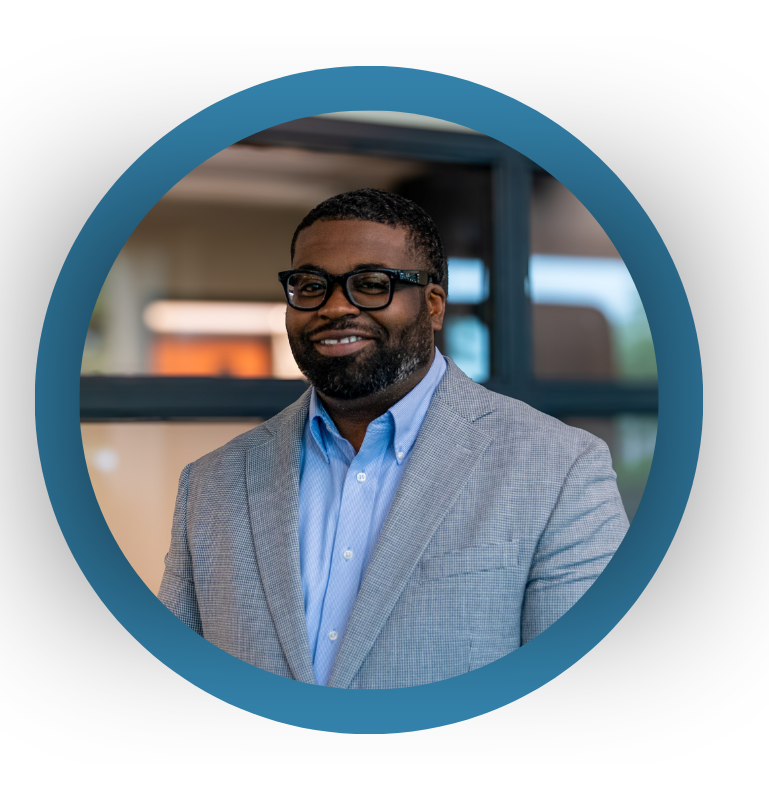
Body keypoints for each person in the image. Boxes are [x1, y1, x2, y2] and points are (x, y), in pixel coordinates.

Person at [158, 188, 629, 690]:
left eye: (371, 284)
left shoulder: (561, 469)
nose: (335, 307)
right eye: (311, 286)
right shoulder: (210, 484)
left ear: (433, 306)